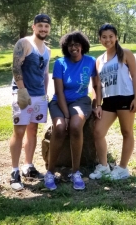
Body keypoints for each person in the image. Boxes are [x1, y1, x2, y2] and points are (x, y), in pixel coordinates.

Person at [44, 31, 101, 191]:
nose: (73, 47)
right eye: (70, 45)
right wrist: (66, 115)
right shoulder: (60, 63)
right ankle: (50, 171)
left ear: (82, 46)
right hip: (59, 102)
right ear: (65, 47)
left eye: (77, 44)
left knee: (76, 126)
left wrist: (97, 105)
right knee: (61, 127)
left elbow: (96, 86)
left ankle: (76, 172)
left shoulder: (91, 61)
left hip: (81, 101)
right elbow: (59, 92)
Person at [89, 23, 136, 180]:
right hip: (109, 101)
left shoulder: (125, 53)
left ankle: (123, 168)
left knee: (126, 132)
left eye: (110, 36)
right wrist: (97, 104)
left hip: (125, 98)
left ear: (116, 37)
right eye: (104, 37)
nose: (107, 40)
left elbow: (135, 76)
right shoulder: (99, 60)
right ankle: (104, 167)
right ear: (100, 39)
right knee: (98, 132)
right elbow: (97, 85)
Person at [9, 14, 51, 191]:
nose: (43, 29)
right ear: (33, 27)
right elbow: (16, 67)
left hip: (39, 95)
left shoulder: (47, 50)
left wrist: (45, 94)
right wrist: (22, 91)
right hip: (23, 94)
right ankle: (14, 171)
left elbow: (44, 74)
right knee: (19, 131)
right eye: (40, 25)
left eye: (46, 26)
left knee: (32, 130)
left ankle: (28, 165)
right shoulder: (24, 43)